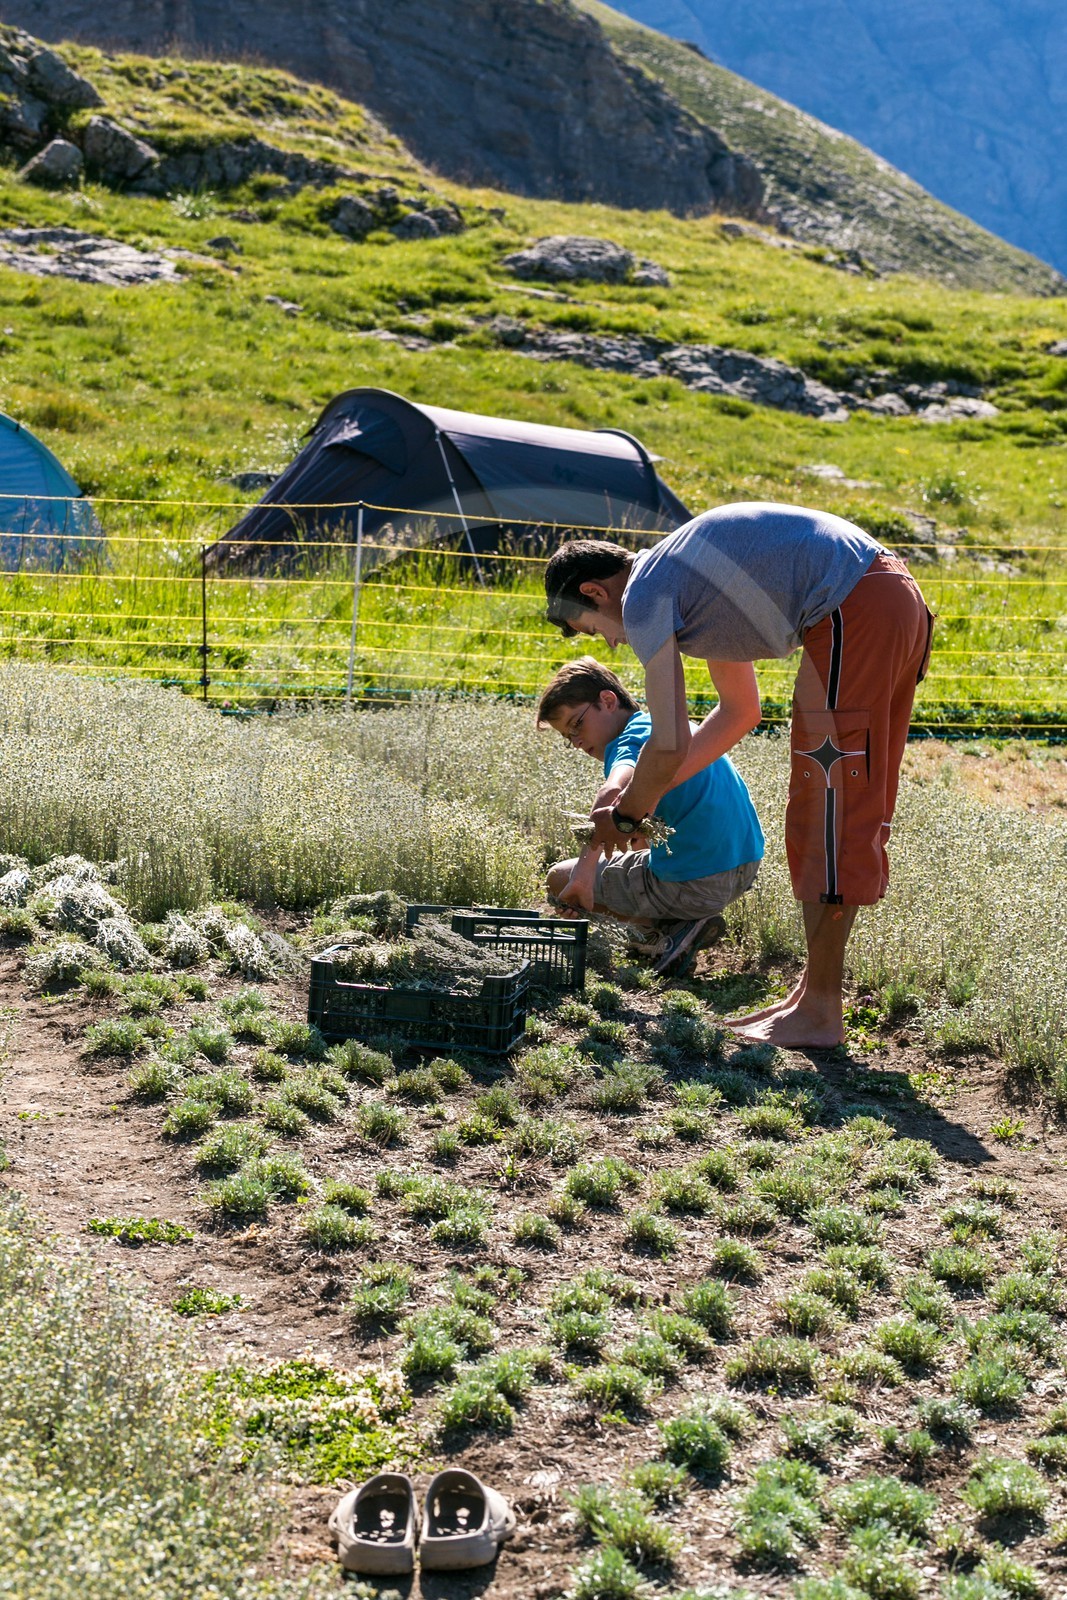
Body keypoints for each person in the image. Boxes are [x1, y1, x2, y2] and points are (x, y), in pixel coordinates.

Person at [543, 502, 934, 1047]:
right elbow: (739, 712)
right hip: (881, 598)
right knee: (827, 811)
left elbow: (670, 741)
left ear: (594, 592)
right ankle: (811, 998)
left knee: (830, 815)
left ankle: (820, 1011)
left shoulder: (645, 594)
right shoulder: (682, 583)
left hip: (855, 609)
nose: (611, 643)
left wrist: (627, 813)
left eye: (592, 629)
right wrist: (646, 797)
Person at [537, 657, 764, 978]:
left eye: (576, 725)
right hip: (744, 868)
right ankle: (680, 921)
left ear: (608, 701)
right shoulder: (668, 728)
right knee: (635, 846)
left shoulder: (627, 744)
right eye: (568, 737)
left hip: (696, 882)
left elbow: (611, 793)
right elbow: (640, 832)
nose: (576, 742)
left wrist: (583, 876)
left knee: (559, 878)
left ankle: (661, 937)